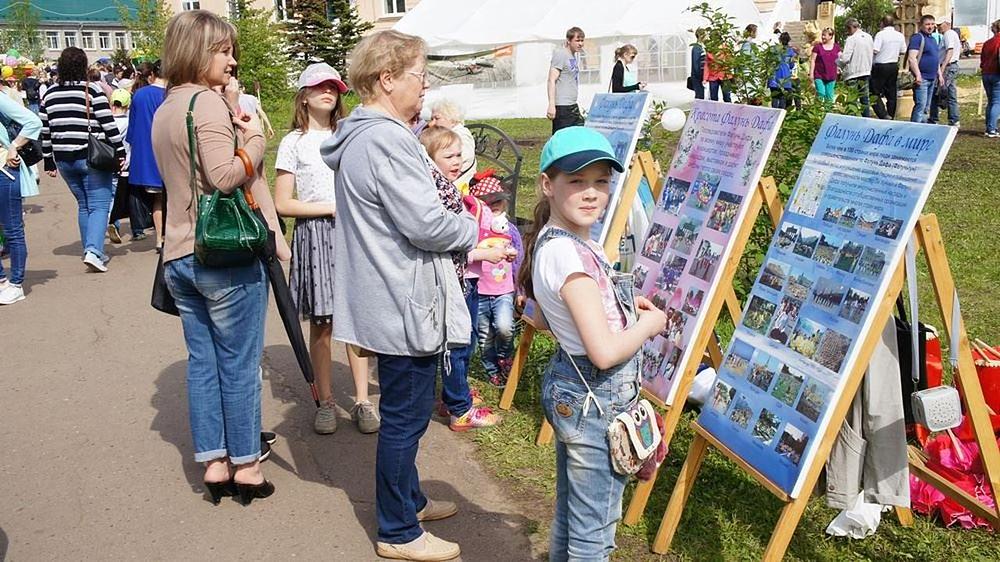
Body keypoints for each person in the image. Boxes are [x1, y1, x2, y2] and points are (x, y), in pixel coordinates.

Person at [319, 29, 477, 561]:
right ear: (387, 79)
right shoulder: (385, 138)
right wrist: (473, 230)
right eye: (419, 75)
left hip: (389, 294)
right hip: (402, 300)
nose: (425, 85)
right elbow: (427, 223)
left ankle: (408, 500)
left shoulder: (367, 135)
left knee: (405, 413)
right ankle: (397, 531)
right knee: (405, 420)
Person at [152, 9, 290, 506]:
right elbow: (225, 176)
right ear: (198, 52)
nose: (232, 60)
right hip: (224, 255)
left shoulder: (168, 106)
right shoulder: (205, 105)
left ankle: (214, 462)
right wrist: (255, 138)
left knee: (203, 363)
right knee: (238, 363)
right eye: (224, 50)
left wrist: (229, 106)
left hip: (180, 255)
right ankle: (247, 467)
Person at [517, 126, 666, 560]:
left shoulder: (557, 241)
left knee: (573, 514)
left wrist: (619, 307)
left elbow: (545, 317)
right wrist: (648, 325)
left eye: (601, 181)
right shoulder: (569, 255)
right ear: (548, 185)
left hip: (572, 390)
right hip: (596, 398)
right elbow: (602, 352)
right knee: (594, 534)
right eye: (576, 181)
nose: (591, 193)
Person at [273, 62, 379, 436]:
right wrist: (329, 207)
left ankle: (364, 400)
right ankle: (327, 401)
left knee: (359, 322)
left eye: (334, 87)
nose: (329, 92)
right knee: (323, 324)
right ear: (304, 94)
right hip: (315, 236)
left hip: (353, 234)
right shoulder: (293, 143)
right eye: (320, 86)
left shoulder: (348, 135)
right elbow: (283, 202)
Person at [419, 126, 503, 431]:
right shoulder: (437, 196)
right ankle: (459, 407)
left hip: (467, 280)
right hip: (456, 280)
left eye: (459, 155)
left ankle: (453, 393)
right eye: (448, 155)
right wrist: (482, 254)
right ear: (429, 160)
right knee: (456, 342)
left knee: (463, 342)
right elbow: (446, 247)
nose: (457, 161)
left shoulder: (454, 190)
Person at [40, 47, 125, 273]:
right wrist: (120, 151)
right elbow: (108, 125)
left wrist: (48, 160)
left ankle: (91, 248)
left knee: (84, 204)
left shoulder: (49, 94)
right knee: (99, 205)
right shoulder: (91, 91)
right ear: (83, 66)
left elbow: (45, 131)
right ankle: (94, 252)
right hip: (91, 157)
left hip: (63, 159)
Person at [469, 171, 523, 388]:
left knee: (504, 327)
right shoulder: (473, 229)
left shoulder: (509, 230)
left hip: (503, 289)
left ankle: (505, 356)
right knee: (484, 336)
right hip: (479, 290)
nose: (494, 206)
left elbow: (519, 261)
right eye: (488, 202)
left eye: (498, 200)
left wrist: (520, 290)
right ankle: (492, 369)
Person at [0, 90, 42, 305]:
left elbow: (33, 121)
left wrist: (14, 146)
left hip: (4, 171)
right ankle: (2, 281)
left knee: (12, 228)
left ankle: (15, 283)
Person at [126, 60, 166, 245]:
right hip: (167, 153)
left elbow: (132, 131)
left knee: (157, 198)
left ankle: (159, 238)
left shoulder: (139, 95)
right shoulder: (169, 95)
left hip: (147, 157)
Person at [427, 99, 477, 189]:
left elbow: (464, 158)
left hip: (458, 187)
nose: (432, 123)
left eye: (437, 118)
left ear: (452, 119)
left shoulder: (462, 136)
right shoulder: (447, 135)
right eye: (431, 119)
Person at [547, 27, 585, 134]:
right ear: (568, 40)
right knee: (562, 138)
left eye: (582, 40)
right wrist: (551, 104)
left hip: (572, 105)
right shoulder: (561, 54)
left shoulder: (573, 56)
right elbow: (551, 80)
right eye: (577, 40)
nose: (580, 43)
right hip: (562, 106)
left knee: (578, 134)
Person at [871, 15, 907, 120]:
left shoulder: (880, 34)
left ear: (882, 23)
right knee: (891, 92)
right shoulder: (899, 35)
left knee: (874, 92)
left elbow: (875, 50)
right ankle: (891, 114)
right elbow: (903, 50)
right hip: (893, 65)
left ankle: (883, 114)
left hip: (881, 65)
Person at [908, 14, 942, 123]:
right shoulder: (917, 38)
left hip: (932, 78)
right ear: (921, 25)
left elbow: (935, 59)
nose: (930, 27)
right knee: (920, 106)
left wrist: (940, 75)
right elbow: (912, 58)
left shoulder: (933, 39)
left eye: (932, 24)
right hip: (922, 79)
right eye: (927, 24)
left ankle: (923, 129)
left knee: (926, 107)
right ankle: (914, 130)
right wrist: (918, 75)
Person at [838, 19, 874, 117]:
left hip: (853, 73)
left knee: (852, 100)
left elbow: (845, 58)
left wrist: (838, 60)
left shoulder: (852, 39)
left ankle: (851, 120)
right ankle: (866, 119)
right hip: (866, 70)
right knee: (865, 99)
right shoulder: (869, 37)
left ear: (850, 28)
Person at [934, 20, 961, 127]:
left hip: (948, 66)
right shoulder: (950, 34)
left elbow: (950, 51)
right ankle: (954, 119)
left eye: (940, 25)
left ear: (947, 24)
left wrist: (942, 67)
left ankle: (935, 117)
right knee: (951, 93)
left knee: (940, 92)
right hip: (950, 66)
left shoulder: (948, 34)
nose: (938, 27)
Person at [810, 27, 840, 107]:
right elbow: (812, 60)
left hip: (831, 75)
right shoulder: (817, 47)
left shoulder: (836, 47)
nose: (823, 37)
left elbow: (840, 59)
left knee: (829, 96)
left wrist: (839, 68)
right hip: (819, 75)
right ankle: (816, 112)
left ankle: (827, 114)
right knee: (821, 93)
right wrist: (811, 74)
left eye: (824, 35)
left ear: (831, 36)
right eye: (822, 35)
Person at [981, 20, 1000, 138]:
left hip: (986, 73)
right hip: (997, 74)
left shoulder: (987, 43)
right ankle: (992, 129)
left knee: (991, 101)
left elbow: (982, 59)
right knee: (997, 102)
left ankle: (989, 127)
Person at [768, 32, 796, 109]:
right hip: (785, 77)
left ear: (780, 39)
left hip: (774, 77)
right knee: (783, 98)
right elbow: (791, 65)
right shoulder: (790, 51)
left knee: (774, 98)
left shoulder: (773, 49)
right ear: (789, 40)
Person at [690, 29, 707, 100]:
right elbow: (696, 64)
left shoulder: (702, 46)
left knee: (701, 95)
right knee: (699, 96)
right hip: (698, 76)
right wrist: (701, 76)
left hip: (702, 75)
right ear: (701, 36)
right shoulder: (696, 48)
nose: (707, 36)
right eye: (706, 35)